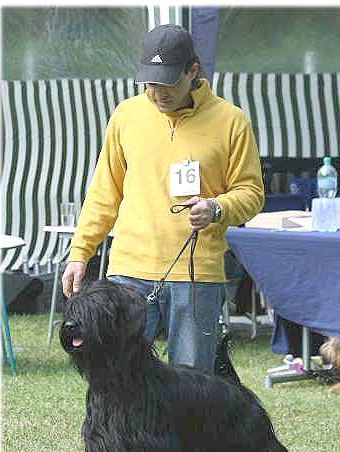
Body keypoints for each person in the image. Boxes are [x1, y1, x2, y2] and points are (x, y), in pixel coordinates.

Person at [62, 24, 264, 372]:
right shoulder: (127, 115)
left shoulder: (231, 121)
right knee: (117, 376)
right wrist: (80, 252)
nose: (157, 94)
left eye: (168, 82)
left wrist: (217, 208)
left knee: (191, 383)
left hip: (195, 273)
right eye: (150, 83)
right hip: (128, 271)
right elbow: (103, 192)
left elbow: (252, 193)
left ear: (193, 71)